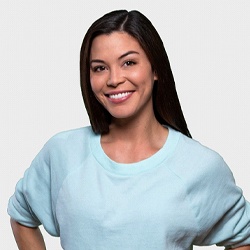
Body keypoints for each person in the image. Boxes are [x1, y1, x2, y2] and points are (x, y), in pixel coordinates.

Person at [8, 9, 250, 250]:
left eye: (129, 63)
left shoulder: (200, 166)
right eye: (100, 68)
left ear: (155, 69)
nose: (114, 79)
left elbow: (243, 237)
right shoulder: (62, 152)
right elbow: (22, 215)